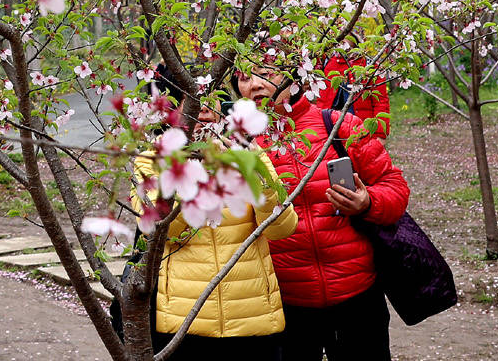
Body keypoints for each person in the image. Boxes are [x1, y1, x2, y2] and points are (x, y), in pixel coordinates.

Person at [242, 65, 411, 361]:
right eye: (244, 77)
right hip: (286, 303)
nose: (255, 84)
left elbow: (395, 187)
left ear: (294, 74)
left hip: (357, 297)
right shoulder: (240, 146)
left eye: (266, 73)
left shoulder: (338, 125)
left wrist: (367, 202)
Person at [127, 148, 299, 359]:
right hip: (185, 320)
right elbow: (160, 228)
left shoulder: (247, 152)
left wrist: (256, 171)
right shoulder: (152, 159)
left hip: (253, 314)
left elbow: (281, 229)